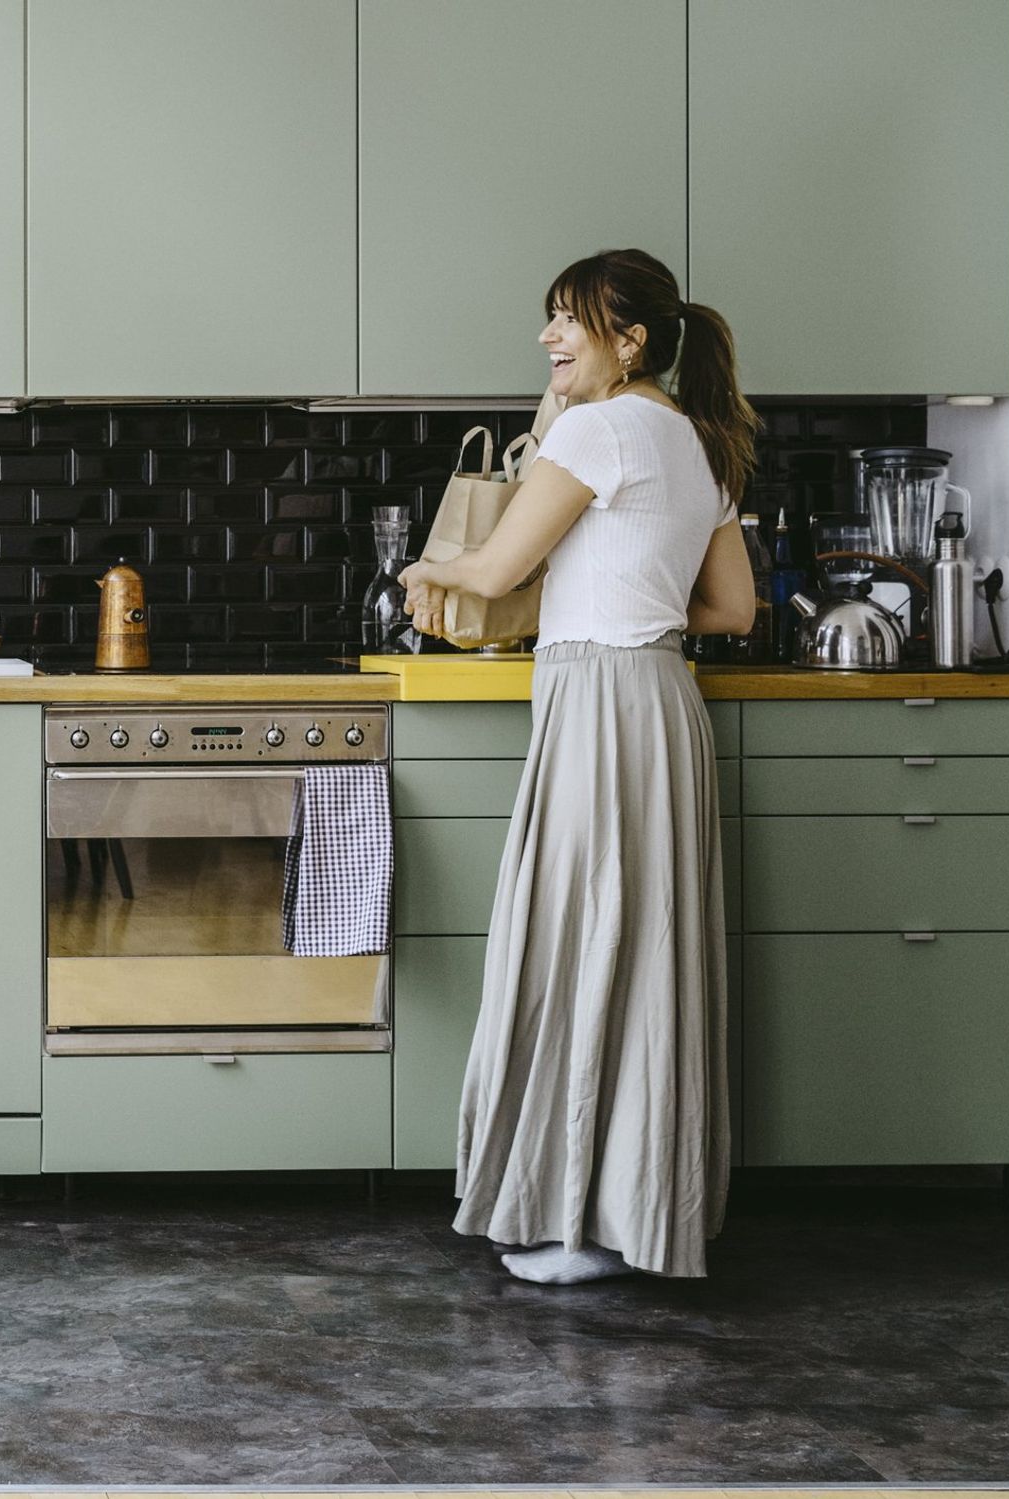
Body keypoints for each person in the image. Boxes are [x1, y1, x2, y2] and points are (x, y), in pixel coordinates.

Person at [400, 248, 757, 1283]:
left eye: (567, 322)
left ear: (628, 339)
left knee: (576, 941)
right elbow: (731, 611)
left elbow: (498, 565)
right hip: (659, 696)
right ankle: (629, 1209)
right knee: (641, 949)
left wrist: (429, 566)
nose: (548, 339)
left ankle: (567, 1220)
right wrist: (632, 594)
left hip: (595, 698)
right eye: (549, 319)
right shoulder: (696, 440)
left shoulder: (599, 428)